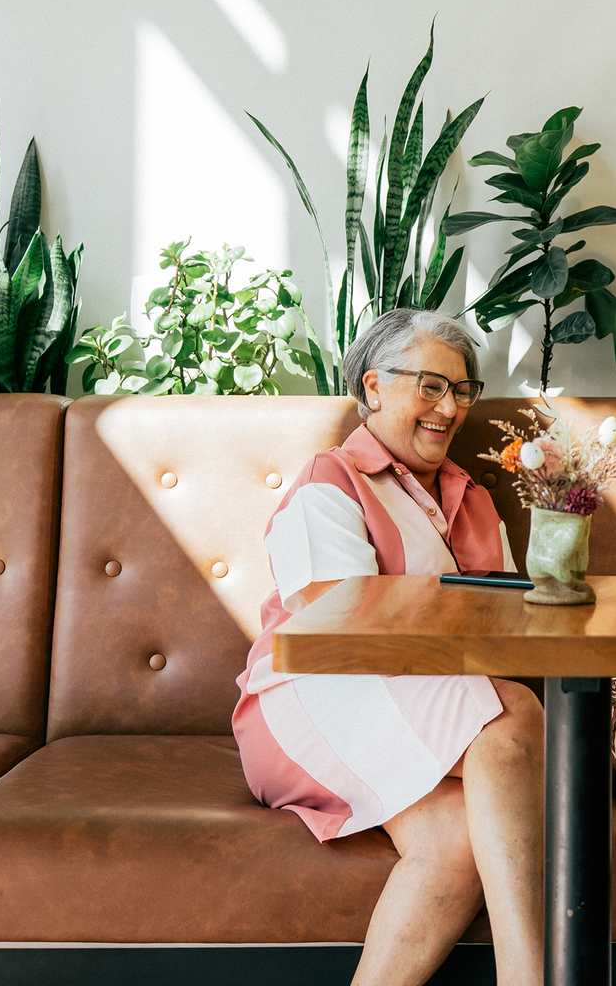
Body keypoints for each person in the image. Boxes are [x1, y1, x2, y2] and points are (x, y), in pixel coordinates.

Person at [232, 309, 545, 986]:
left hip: (423, 708)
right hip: (309, 702)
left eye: (462, 391)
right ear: (373, 388)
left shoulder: (476, 499)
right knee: (512, 714)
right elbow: (342, 625)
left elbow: (507, 628)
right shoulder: (331, 483)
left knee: (456, 844)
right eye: (430, 387)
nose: (451, 408)